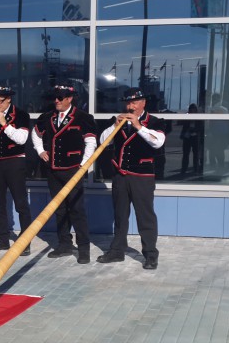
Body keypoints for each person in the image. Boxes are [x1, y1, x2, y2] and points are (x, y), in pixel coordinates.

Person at [96, 88, 168, 270]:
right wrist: (114, 126)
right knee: (120, 215)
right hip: (120, 175)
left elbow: (158, 142)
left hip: (142, 177)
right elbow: (103, 141)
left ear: (143, 103)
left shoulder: (155, 121)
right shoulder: (118, 121)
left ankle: (150, 254)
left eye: (134, 102)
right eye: (128, 103)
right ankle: (117, 251)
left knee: (145, 216)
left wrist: (138, 126)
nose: (131, 106)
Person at [32, 83, 97, 264]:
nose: (56, 100)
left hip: (73, 170)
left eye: (60, 97)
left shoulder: (83, 117)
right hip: (53, 171)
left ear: (69, 99)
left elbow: (91, 142)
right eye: (55, 97)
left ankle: (83, 249)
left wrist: (83, 165)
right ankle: (64, 244)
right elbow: (35, 134)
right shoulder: (47, 117)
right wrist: (40, 151)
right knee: (59, 209)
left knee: (77, 210)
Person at [0, 86, 33, 256]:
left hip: (15, 162)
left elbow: (21, 139)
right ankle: (2, 240)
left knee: (21, 204)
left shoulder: (21, 115)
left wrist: (4, 122)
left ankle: (25, 242)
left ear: (8, 99)